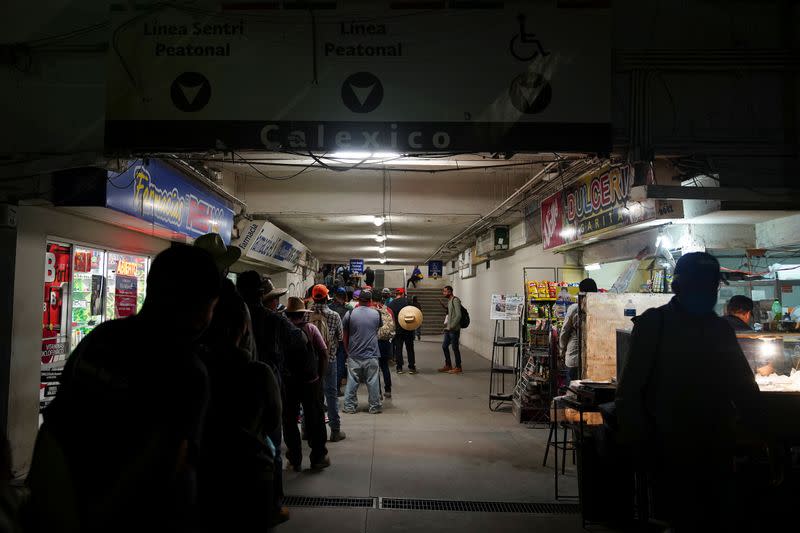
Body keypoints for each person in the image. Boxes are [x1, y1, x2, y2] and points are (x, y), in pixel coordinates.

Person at [30, 245, 221, 532]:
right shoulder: (184, 369)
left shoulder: (100, 340)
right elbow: (168, 466)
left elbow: (55, 428)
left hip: (65, 504)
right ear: (201, 305)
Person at [615, 252, 763, 531]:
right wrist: (640, 447)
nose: (706, 292)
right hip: (667, 451)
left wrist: (756, 434)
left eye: (709, 286)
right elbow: (630, 393)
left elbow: (743, 388)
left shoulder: (720, 330)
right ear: (678, 287)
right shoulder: (653, 325)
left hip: (715, 449)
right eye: (699, 285)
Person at [197, 280, 284, 530]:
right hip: (251, 472)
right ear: (243, 329)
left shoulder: (191, 369)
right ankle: (275, 505)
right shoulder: (258, 373)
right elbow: (272, 421)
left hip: (204, 475)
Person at [236, 272, 292, 520]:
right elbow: (294, 345)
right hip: (268, 382)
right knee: (272, 446)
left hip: (234, 385)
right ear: (262, 294)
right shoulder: (274, 320)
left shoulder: (230, 316)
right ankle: (273, 504)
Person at [283, 297, 331, 471]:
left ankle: (294, 459)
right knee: (315, 419)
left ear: (287, 314)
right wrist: (320, 376)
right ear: (303, 314)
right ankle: (318, 457)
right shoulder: (310, 329)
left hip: (289, 383)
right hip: (310, 382)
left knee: (289, 421)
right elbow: (323, 354)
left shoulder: (282, 330)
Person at [309, 284, 346, 442]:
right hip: (329, 360)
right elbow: (339, 338)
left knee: (309, 395)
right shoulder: (334, 315)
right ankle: (335, 431)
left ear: (313, 297)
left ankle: (306, 429)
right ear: (326, 297)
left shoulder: (305, 315)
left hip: (309, 362)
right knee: (331, 395)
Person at [342, 290, 383, 414]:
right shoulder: (377, 314)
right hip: (372, 353)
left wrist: (347, 350)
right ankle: (374, 407)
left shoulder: (349, 313)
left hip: (354, 353)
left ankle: (349, 407)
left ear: (358, 300)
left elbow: (345, 335)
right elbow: (376, 329)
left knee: (352, 381)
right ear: (370, 301)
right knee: (373, 381)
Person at [559, 278, 598, 383]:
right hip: (595, 359)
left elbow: (564, 332)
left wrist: (562, 351)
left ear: (581, 291)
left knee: (573, 391)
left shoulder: (574, 308)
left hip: (574, 358)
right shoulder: (600, 307)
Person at [389, 288, 417, 374]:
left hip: (397, 329)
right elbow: (415, 313)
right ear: (403, 293)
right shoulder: (408, 302)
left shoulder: (391, 304)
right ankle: (411, 367)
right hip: (408, 328)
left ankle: (399, 368)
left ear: (395, 294)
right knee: (410, 348)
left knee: (398, 348)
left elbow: (390, 317)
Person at [374, 291, 395, 399]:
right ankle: (388, 389)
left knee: (375, 368)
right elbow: (393, 325)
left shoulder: (372, 311)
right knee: (385, 366)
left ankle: (378, 392)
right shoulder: (388, 310)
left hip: (374, 341)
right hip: (386, 342)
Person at [439, 285, 463, 374]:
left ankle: (458, 367)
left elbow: (458, 315)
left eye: (445, 291)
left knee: (455, 348)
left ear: (450, 292)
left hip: (454, 329)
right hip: (448, 329)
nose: (443, 293)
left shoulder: (455, 300)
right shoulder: (449, 301)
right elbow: (450, 315)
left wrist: (451, 326)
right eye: (443, 291)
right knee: (444, 346)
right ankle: (448, 365)